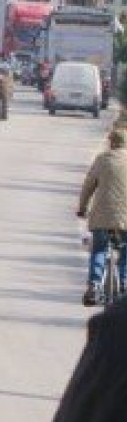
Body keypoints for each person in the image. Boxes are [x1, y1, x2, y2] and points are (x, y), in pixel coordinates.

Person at [78, 129, 127, 306]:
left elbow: (88, 186)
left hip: (101, 218)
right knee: (126, 253)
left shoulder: (102, 160)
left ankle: (94, 285)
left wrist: (82, 209)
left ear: (111, 142)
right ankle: (124, 284)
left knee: (99, 249)